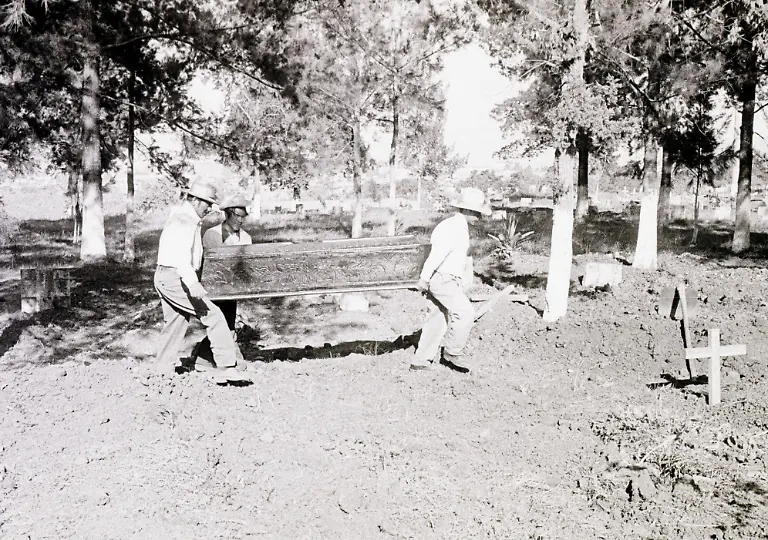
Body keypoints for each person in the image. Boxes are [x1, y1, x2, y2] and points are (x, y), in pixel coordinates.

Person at [153, 180, 248, 383]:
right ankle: (225, 367)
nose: (209, 209)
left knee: (175, 323)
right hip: (175, 277)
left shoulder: (185, 218)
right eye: (207, 204)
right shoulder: (184, 221)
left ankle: (162, 370)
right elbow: (180, 256)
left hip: (166, 276)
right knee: (214, 316)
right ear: (195, 200)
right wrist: (192, 283)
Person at [410, 187, 492, 373]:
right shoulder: (453, 227)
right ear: (469, 211)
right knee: (465, 312)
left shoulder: (458, 226)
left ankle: (420, 360)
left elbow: (460, 256)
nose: (479, 218)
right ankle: (452, 353)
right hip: (442, 278)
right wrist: (424, 278)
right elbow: (437, 254)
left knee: (437, 318)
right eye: (478, 213)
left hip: (445, 278)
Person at [194, 193, 253, 364]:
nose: (241, 221)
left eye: (244, 217)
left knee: (227, 321)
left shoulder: (246, 237)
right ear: (228, 215)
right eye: (238, 217)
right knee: (220, 322)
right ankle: (215, 357)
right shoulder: (212, 234)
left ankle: (205, 357)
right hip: (215, 286)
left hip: (233, 288)